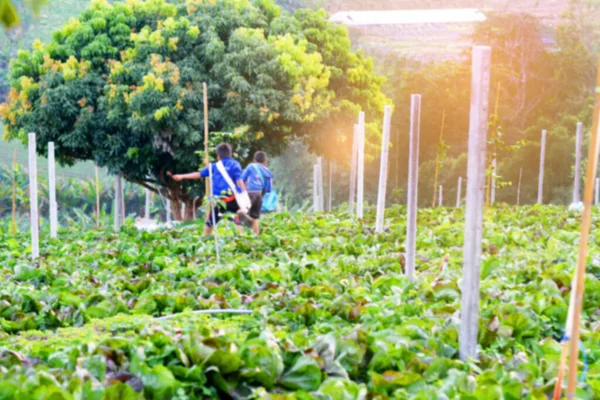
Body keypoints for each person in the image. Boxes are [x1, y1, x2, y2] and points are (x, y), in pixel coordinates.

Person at [168, 143, 248, 236]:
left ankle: (204, 240)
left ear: (218, 156)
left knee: (210, 222)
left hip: (218, 201)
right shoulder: (235, 164)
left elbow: (198, 174)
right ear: (230, 154)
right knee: (237, 221)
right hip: (233, 199)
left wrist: (181, 176)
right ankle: (241, 239)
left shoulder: (215, 166)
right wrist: (244, 194)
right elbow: (239, 182)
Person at [241, 151, 273, 235]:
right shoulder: (267, 172)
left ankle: (239, 235)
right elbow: (268, 189)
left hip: (250, 193)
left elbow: (242, 179)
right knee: (255, 217)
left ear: (254, 160)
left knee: (240, 213)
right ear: (265, 161)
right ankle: (256, 237)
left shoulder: (251, 166)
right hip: (259, 195)